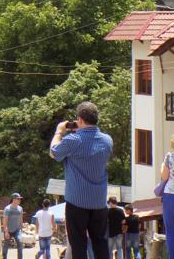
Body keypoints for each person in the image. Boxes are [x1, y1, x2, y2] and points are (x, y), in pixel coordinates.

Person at [50, 101, 113, 259]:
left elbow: (54, 152)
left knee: (78, 244)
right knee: (101, 243)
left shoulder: (73, 140)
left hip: (77, 201)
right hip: (99, 202)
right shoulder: (107, 140)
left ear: (80, 119)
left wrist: (59, 131)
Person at [2, 193, 24, 259]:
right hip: (8, 230)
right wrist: (6, 232)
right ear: (14, 199)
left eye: (20, 199)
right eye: (18, 199)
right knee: (6, 245)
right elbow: (5, 221)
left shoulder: (20, 208)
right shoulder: (7, 209)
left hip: (17, 229)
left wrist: (21, 229)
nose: (20, 200)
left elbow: (21, 219)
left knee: (20, 242)